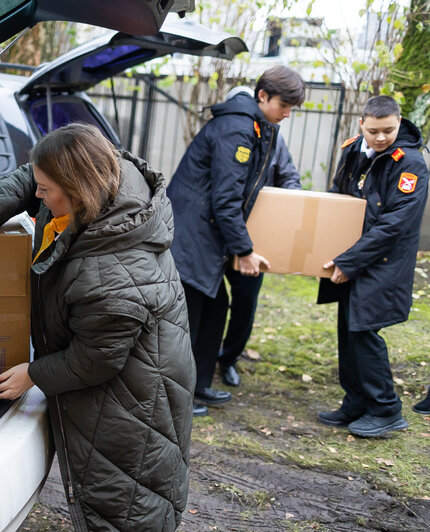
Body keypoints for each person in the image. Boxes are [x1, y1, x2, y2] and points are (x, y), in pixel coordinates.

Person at [0, 123, 195, 531]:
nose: (37, 195)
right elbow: (32, 174)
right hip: (139, 359)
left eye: (45, 190)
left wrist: (34, 375)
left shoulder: (107, 272)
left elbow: (97, 358)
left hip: (134, 392)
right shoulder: (105, 177)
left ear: (76, 186)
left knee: (125, 497)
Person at [166, 66, 305, 416]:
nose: (287, 113)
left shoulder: (253, 125)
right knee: (191, 320)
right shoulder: (238, 129)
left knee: (215, 310)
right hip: (192, 236)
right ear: (263, 96)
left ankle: (198, 386)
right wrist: (244, 250)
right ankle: (176, 398)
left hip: (206, 234)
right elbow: (226, 200)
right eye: (284, 105)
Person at [317, 95, 428, 437]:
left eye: (388, 130)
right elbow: (339, 196)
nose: (381, 138)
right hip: (353, 255)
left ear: (398, 123)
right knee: (348, 330)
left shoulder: (411, 164)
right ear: (362, 124)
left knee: (365, 331)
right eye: (374, 131)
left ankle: (385, 408)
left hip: (383, 261)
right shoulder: (353, 149)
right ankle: (356, 401)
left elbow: (395, 225)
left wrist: (348, 261)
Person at [216, 86, 303, 388]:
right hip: (215, 239)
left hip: (253, 240)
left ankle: (228, 358)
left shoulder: (272, 139)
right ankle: (199, 358)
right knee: (208, 306)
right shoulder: (225, 132)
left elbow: (290, 178)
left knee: (244, 305)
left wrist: (287, 203)